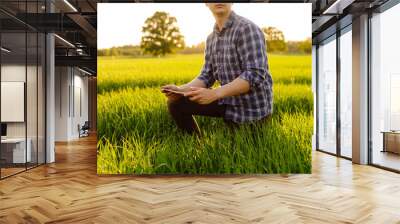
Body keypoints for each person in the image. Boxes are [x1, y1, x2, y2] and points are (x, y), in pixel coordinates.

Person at [161, 3, 273, 135]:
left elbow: (255, 74)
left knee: (241, 153)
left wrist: (214, 94)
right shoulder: (211, 39)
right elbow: (206, 76)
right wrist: (181, 90)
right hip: (227, 101)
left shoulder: (247, 29)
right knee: (176, 104)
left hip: (251, 111)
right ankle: (196, 146)